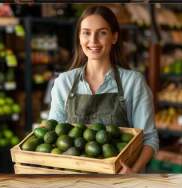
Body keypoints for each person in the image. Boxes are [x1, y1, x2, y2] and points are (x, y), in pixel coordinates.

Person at [48, 6, 159, 174]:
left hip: (120, 185)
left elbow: (149, 139)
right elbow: (53, 136)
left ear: (114, 37)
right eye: (86, 32)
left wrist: (133, 172)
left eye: (102, 33)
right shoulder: (64, 82)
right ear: (79, 37)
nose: (93, 41)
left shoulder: (133, 82)